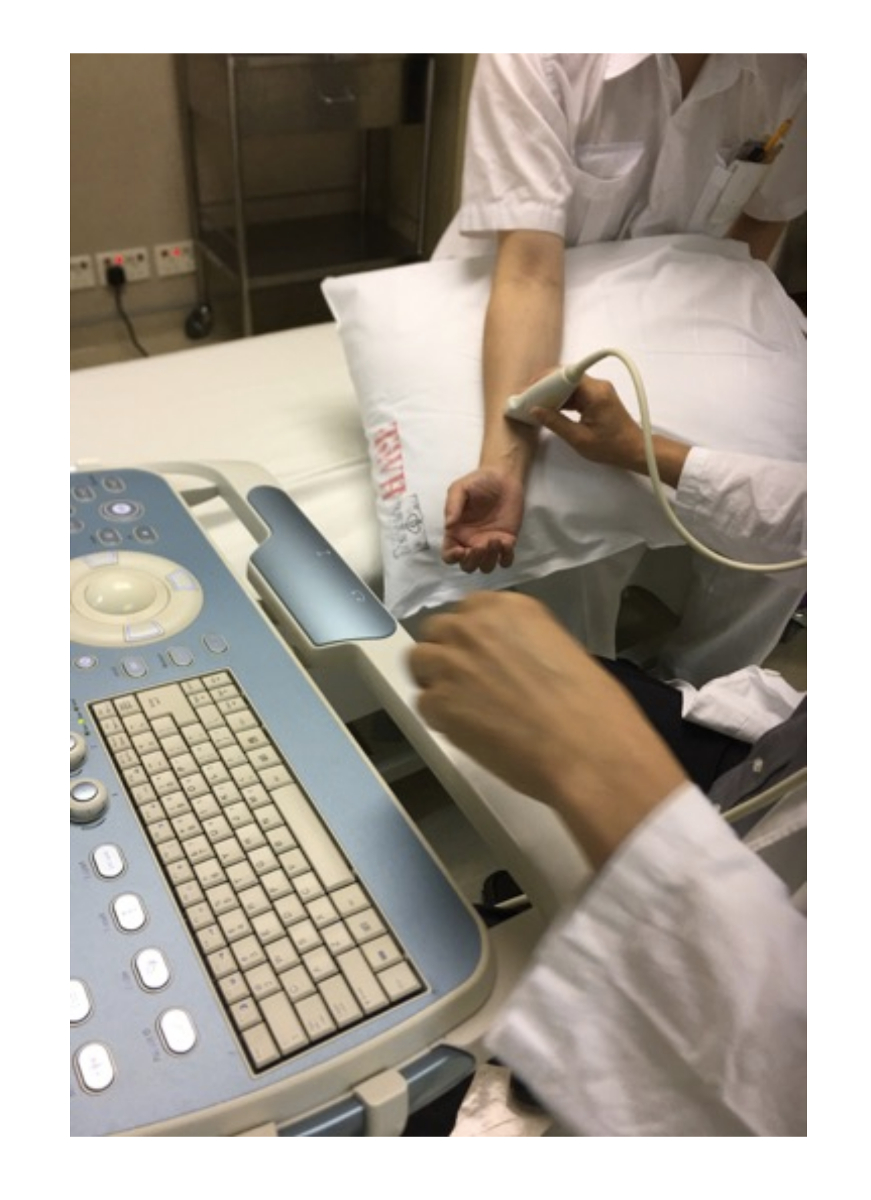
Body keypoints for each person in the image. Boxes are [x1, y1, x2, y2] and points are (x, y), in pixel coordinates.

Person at [407, 379, 806, 1136]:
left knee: (417, 1097)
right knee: (526, 675)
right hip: (778, 757)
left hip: (757, 1015)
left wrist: (611, 784)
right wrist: (639, 449)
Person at [437, 54, 807, 684]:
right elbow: (529, 272)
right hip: (533, 298)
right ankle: (586, 696)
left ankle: (706, 698)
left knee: (785, 493)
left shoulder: (794, 66)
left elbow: (757, 228)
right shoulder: (540, 51)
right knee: (583, 503)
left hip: (681, 312)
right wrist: (505, 460)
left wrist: (729, 364)